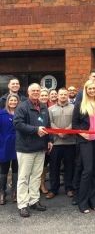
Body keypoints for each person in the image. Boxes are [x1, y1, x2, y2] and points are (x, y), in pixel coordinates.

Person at [13, 83, 52, 218]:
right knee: (24, 177)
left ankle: (34, 200)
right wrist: (35, 130)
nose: (36, 92)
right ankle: (23, 204)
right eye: (33, 90)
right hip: (26, 148)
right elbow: (17, 124)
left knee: (36, 176)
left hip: (40, 148)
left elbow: (48, 125)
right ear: (29, 92)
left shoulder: (43, 106)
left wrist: (49, 140)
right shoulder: (22, 107)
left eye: (38, 90)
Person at [72, 80, 95, 214]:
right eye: (89, 89)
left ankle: (93, 201)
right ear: (86, 90)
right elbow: (74, 124)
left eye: (94, 88)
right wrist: (82, 134)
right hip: (85, 142)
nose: (92, 90)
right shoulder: (80, 105)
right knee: (87, 170)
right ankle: (82, 201)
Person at [46, 88, 76, 199]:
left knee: (70, 166)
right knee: (54, 167)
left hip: (70, 142)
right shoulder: (50, 109)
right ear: (57, 96)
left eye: (65, 94)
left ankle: (69, 188)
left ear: (68, 95)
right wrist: (58, 132)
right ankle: (53, 189)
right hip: (56, 143)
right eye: (61, 94)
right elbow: (50, 123)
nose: (63, 96)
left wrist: (66, 132)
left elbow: (75, 122)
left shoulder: (74, 108)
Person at [0, 94, 20, 205]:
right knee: (4, 169)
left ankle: (15, 192)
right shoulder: (1, 114)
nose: (13, 102)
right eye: (11, 100)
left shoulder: (20, 113)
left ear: (18, 102)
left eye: (15, 100)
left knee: (16, 169)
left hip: (18, 145)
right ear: (7, 102)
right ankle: (2, 192)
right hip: (4, 145)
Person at [39, 88, 50, 194]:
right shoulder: (36, 108)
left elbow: (49, 126)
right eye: (41, 95)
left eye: (45, 95)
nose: (43, 97)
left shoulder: (48, 109)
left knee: (44, 165)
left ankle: (42, 184)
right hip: (35, 141)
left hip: (46, 141)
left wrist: (50, 140)